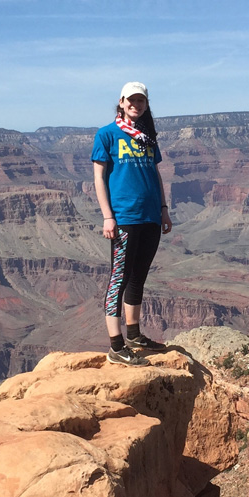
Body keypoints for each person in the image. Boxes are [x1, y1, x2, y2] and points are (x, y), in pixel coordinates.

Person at [91, 81, 172, 366]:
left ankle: (135, 335)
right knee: (119, 279)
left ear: (146, 105)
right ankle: (116, 346)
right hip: (124, 217)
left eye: (141, 101)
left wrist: (163, 209)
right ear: (122, 102)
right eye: (131, 101)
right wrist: (107, 216)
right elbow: (99, 178)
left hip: (150, 215)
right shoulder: (107, 135)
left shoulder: (148, 137)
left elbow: (156, 175)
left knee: (139, 277)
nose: (136, 105)